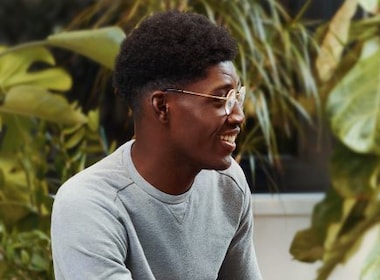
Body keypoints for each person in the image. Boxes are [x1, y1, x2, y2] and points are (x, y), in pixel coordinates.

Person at [51, 11, 261, 279]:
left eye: (237, 97)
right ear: (162, 106)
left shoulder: (228, 184)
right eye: (220, 99)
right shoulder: (89, 204)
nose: (238, 116)